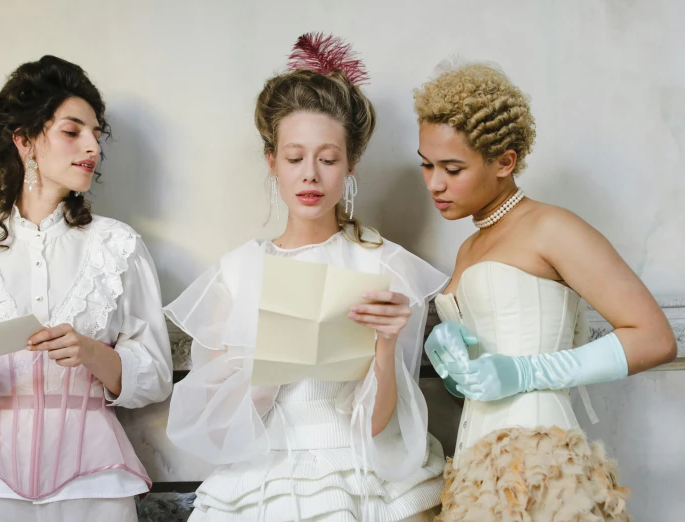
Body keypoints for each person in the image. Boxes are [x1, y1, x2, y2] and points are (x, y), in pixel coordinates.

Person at [164, 33, 449, 521]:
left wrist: (385, 344)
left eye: (328, 158)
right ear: (272, 162)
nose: (310, 175)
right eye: (294, 158)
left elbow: (379, 426)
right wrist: (270, 370)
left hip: (358, 472)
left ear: (350, 164)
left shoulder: (385, 265)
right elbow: (215, 428)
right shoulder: (235, 274)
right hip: (258, 478)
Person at [416, 60, 676, 521]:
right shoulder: (469, 248)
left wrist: (525, 372)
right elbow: (481, 385)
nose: (435, 183)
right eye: (427, 165)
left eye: (453, 168)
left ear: (505, 161)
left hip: (543, 460)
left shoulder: (553, 227)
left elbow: (655, 338)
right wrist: (457, 371)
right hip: (476, 466)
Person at [0, 55, 173, 522]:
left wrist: (90, 352)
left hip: (94, 480)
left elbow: (157, 376)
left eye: (96, 134)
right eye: (72, 130)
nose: (92, 147)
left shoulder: (118, 247)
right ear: (25, 141)